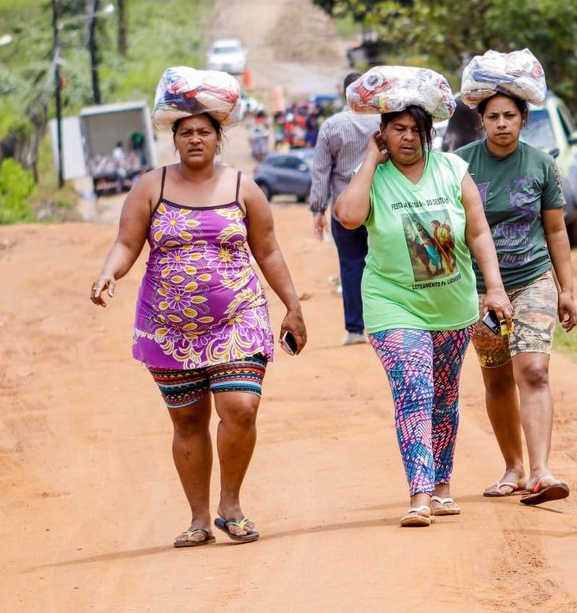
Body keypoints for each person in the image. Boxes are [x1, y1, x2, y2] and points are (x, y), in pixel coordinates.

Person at [90, 67, 307, 547]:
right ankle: (199, 518)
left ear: (218, 138)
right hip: (169, 328)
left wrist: (291, 305)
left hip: (238, 318)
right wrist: (110, 272)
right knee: (187, 421)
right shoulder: (151, 186)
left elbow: (268, 251)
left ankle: (231, 505)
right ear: (174, 139)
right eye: (185, 132)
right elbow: (126, 244)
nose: (194, 139)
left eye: (203, 132)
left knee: (241, 407)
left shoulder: (244, 188)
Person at [334, 69, 512, 527]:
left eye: (416, 129)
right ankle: (419, 493)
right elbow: (349, 218)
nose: (408, 138)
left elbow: (478, 232)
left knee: (445, 396)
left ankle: (442, 485)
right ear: (383, 133)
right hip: (392, 303)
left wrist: (494, 288)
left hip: (453, 306)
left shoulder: (453, 170)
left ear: (428, 132)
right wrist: (371, 161)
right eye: (398, 129)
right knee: (414, 388)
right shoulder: (370, 175)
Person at [454, 89, 577, 505]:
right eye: (493, 117)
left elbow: (556, 231)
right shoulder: (461, 165)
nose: (502, 123)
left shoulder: (542, 164)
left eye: (510, 115)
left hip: (533, 280)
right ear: (482, 121)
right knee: (498, 377)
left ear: (524, 118)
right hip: (479, 291)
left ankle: (541, 470)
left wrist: (567, 290)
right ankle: (513, 467)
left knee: (534, 371)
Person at [309, 72, 381, 346]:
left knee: (351, 266)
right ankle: (384, 325)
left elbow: (321, 170)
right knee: (387, 265)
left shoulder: (332, 125)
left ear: (345, 93)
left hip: (345, 210)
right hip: (381, 205)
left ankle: (354, 330)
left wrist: (318, 210)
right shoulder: (383, 122)